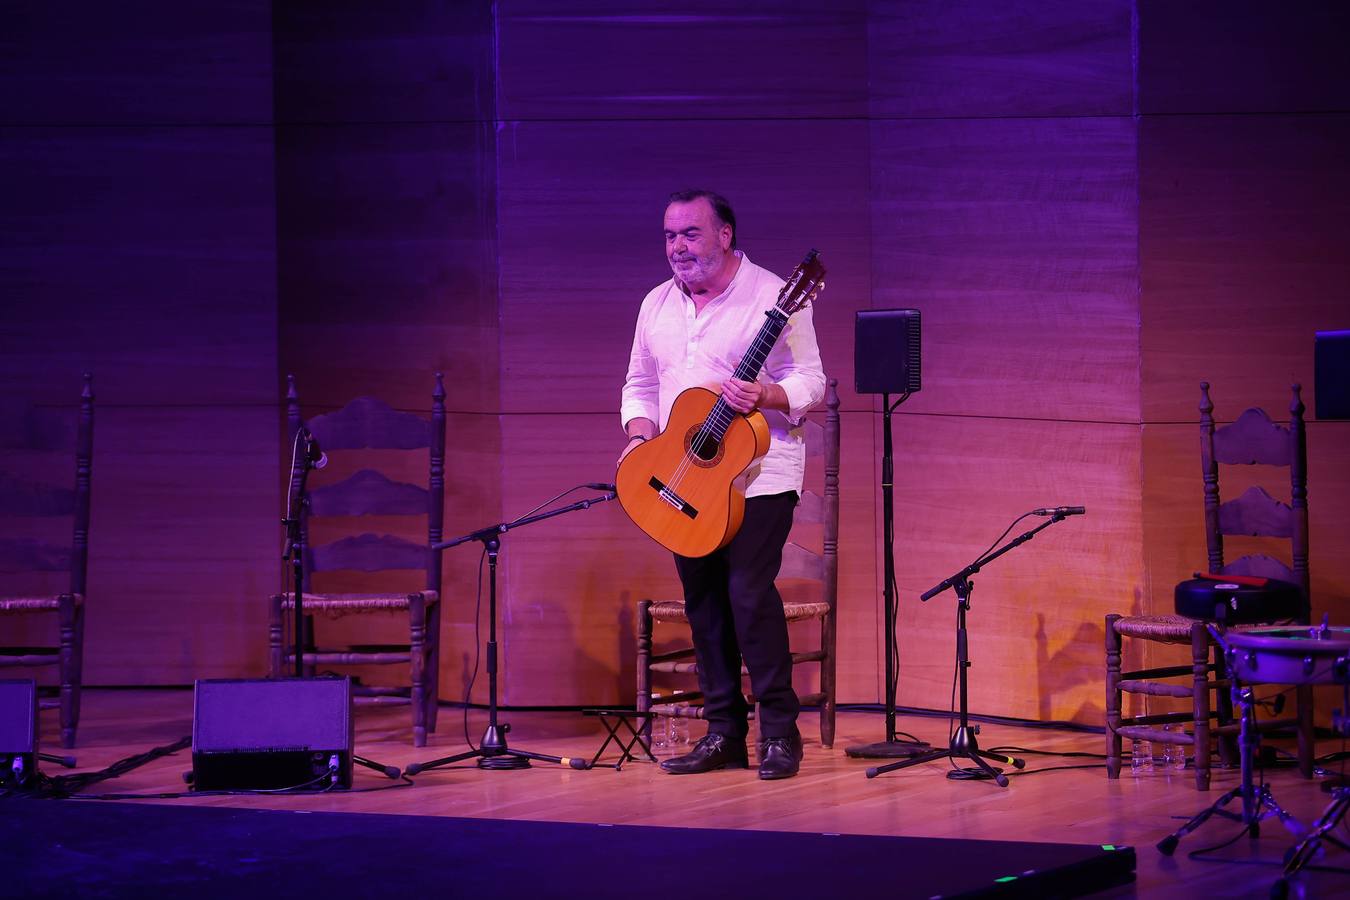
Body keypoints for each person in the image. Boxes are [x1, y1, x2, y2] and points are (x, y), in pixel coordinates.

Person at [619, 189, 826, 780]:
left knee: (746, 594)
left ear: (726, 235)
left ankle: (780, 734)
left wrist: (766, 393)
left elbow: (810, 380)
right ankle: (723, 733)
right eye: (669, 236)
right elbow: (639, 382)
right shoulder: (655, 304)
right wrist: (640, 438)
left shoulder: (774, 297)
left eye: (689, 234)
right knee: (703, 603)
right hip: (683, 477)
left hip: (760, 476)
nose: (677, 247)